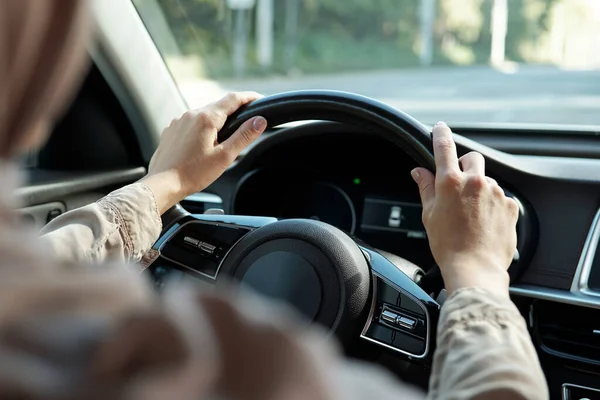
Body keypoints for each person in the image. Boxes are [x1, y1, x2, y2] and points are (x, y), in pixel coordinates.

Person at [0, 1, 548, 399]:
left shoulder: (34, 326)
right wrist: (476, 277)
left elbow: (44, 265)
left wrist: (161, 186)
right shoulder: (188, 370)